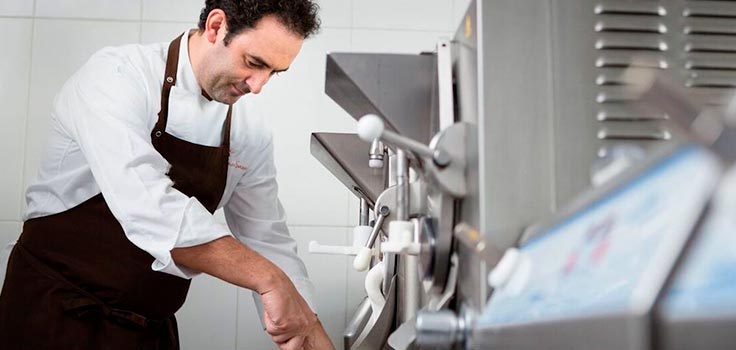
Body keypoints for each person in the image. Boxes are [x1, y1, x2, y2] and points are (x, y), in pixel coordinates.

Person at [0, 1, 335, 349]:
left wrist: (308, 329)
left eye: (274, 72)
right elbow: (147, 207)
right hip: (53, 315)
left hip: (147, 332)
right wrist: (268, 279)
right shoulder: (118, 76)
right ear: (216, 26)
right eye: (254, 63)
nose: (258, 86)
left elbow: (268, 240)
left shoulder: (249, 132)